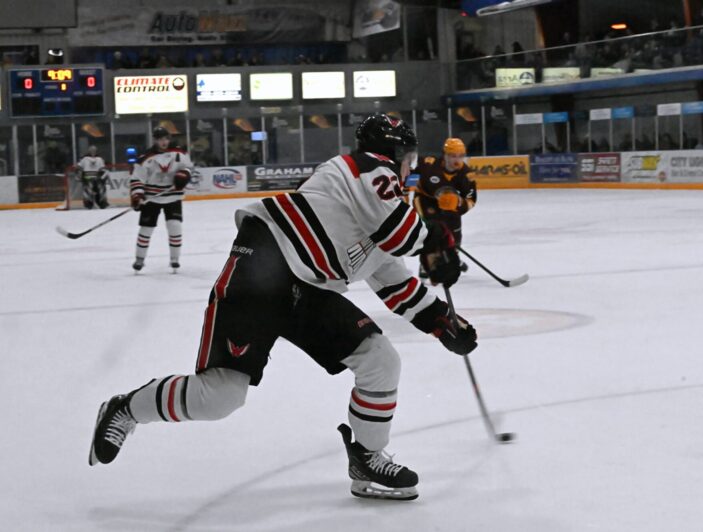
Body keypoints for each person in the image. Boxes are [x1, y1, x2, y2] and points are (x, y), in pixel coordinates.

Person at [88, 114, 477, 501]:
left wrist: (443, 322)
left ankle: (367, 458)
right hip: (263, 264)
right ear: (394, 152)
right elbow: (404, 234)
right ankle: (125, 409)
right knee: (221, 396)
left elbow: (395, 282)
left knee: (380, 359)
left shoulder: (382, 207)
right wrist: (438, 241)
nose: (410, 166)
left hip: (306, 289)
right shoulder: (364, 168)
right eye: (408, 156)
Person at [129, 126, 194, 273]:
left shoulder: (180, 153)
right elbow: (137, 179)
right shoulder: (145, 158)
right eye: (160, 139)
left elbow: (189, 168)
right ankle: (140, 259)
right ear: (155, 140)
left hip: (173, 197)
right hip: (151, 198)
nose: (163, 142)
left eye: (165, 138)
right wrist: (137, 195)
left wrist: (184, 175)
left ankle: (174, 259)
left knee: (175, 226)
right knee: (146, 229)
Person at [413, 138, 477, 279]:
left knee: (455, 234)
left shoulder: (467, 175)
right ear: (445, 155)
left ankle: (452, 258)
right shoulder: (429, 165)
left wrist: (458, 205)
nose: (457, 160)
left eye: (461, 156)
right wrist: (405, 191)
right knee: (432, 232)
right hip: (426, 200)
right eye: (453, 156)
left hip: (450, 204)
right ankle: (426, 264)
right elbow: (413, 175)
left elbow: (471, 200)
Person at [76, 145, 109, 210]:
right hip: (87, 178)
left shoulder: (99, 159)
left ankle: (102, 203)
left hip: (97, 178)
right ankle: (88, 203)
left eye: (94, 150)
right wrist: (80, 176)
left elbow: (102, 169)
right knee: (88, 189)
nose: (93, 152)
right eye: (91, 150)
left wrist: (102, 177)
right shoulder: (84, 159)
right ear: (89, 151)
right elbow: (79, 168)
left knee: (101, 188)